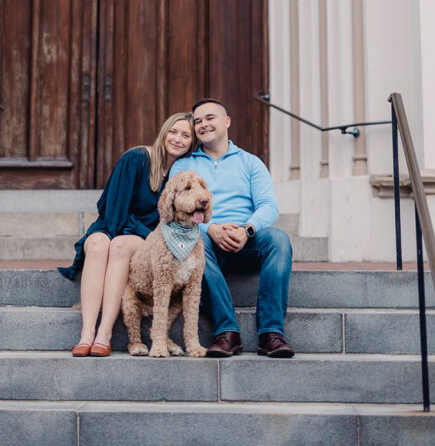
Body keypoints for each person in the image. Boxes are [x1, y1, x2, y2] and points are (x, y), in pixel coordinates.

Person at [58, 112, 197, 356]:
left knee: (120, 247)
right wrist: (145, 234)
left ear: (192, 142)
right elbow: (113, 209)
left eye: (185, 135)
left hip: (142, 238)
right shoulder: (137, 158)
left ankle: (105, 335)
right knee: (101, 245)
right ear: (163, 133)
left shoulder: (181, 176)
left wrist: (152, 238)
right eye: (173, 132)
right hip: (113, 224)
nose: (177, 139)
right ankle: (87, 332)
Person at [170, 98, 294, 358]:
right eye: (198, 121)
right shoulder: (183, 165)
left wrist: (246, 229)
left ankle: (271, 334)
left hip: (246, 242)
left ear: (226, 121)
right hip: (206, 244)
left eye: (210, 118)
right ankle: (227, 333)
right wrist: (210, 228)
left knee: (279, 240)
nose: (203, 124)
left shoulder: (250, 162)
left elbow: (269, 207)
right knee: (194, 240)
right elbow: (178, 211)